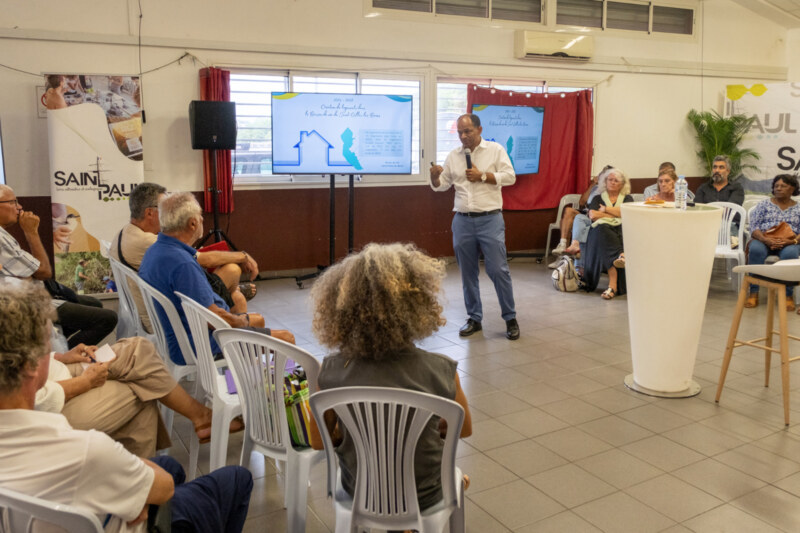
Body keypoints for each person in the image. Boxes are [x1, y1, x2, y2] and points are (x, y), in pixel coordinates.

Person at [0, 280, 253, 533]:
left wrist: (60, 357)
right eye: (48, 345)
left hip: (71, 496)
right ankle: (197, 420)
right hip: (132, 519)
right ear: (31, 365)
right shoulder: (86, 450)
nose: (51, 349)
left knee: (170, 462)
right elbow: (164, 488)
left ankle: (142, 470)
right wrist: (140, 495)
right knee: (236, 479)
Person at [307, 243, 472, 511]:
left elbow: (317, 441)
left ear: (342, 311)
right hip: (425, 493)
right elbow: (463, 429)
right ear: (418, 307)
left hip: (361, 490)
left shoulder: (331, 371)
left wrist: (359, 431)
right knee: (449, 472)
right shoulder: (440, 369)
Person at [139, 192, 294, 365]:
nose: (201, 220)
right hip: (196, 344)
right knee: (287, 339)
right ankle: (270, 388)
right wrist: (240, 322)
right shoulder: (183, 264)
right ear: (193, 223)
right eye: (200, 217)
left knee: (256, 319)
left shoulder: (155, 250)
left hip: (179, 336)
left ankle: (248, 378)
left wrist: (241, 321)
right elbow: (214, 319)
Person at [111, 182, 259, 332]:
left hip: (150, 308)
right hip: (165, 320)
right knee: (233, 272)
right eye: (164, 207)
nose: (168, 212)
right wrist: (243, 256)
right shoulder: (152, 243)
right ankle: (237, 333)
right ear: (149, 213)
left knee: (236, 296)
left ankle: (234, 298)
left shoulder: (124, 233)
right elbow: (204, 260)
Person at [429, 114, 519, 340]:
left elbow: (510, 177)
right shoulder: (454, 156)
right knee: (467, 273)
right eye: (460, 132)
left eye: (467, 131)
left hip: (490, 218)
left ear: (479, 129)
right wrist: (434, 178)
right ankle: (474, 318)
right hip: (462, 220)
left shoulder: (495, 150)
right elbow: (442, 186)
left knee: (498, 270)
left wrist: (483, 176)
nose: (463, 136)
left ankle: (510, 318)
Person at [0, 184, 117, 348]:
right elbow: (44, 271)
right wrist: (31, 232)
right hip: (28, 303)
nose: (19, 207)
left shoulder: (4, 234)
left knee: (93, 303)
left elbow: (33, 272)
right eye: (13, 202)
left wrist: (31, 273)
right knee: (107, 318)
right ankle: (61, 358)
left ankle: (58, 348)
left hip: (35, 293)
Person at [743, 174, 800, 311]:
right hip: (763, 239)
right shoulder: (763, 205)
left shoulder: (798, 208)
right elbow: (754, 227)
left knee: (790, 254)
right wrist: (765, 240)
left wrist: (790, 241)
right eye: (776, 186)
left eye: (783, 186)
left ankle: (787, 295)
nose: (778, 189)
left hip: (789, 241)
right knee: (756, 250)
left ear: (792, 189)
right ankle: (754, 292)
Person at [580, 168, 634, 299]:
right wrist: (617, 214)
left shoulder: (627, 198)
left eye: (617, 180)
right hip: (601, 232)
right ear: (605, 182)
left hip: (621, 232)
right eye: (610, 179)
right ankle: (621, 255)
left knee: (604, 232)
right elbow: (593, 215)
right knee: (602, 229)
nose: (613, 182)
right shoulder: (598, 198)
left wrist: (605, 210)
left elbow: (628, 213)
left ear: (622, 184)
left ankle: (612, 285)